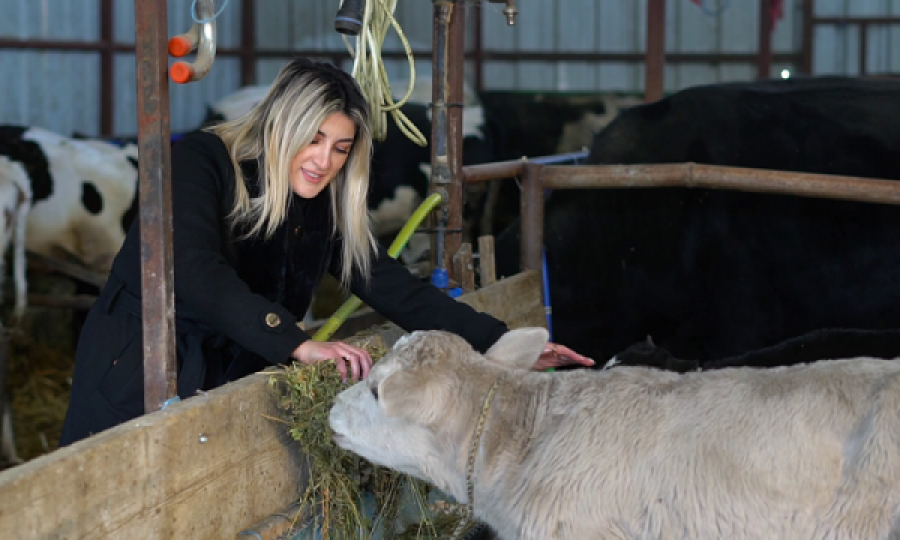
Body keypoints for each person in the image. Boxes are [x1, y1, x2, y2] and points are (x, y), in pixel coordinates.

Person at [59, 58, 593, 446]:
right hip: (140, 372)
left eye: (340, 148)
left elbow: (389, 284)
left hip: (227, 382)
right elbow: (195, 273)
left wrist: (499, 340)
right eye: (312, 139)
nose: (324, 160)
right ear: (279, 127)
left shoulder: (322, 201)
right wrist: (295, 342)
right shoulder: (202, 162)